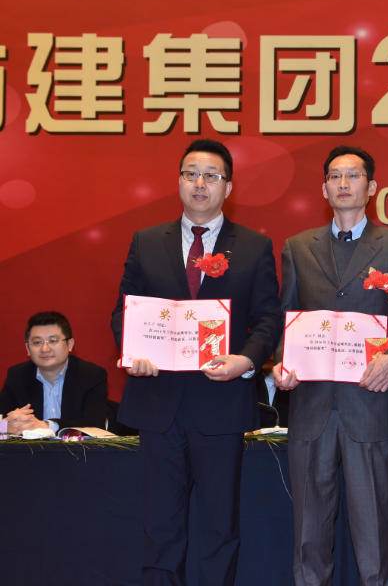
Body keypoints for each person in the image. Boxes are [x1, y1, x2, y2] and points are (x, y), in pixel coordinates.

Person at [111, 139, 282, 586]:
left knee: (218, 525)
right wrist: (133, 353)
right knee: (160, 524)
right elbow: (124, 312)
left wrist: (246, 360)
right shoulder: (147, 241)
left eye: (211, 175)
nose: (199, 183)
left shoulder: (254, 246)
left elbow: (268, 318)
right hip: (158, 400)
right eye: (191, 173)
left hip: (221, 404)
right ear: (179, 181)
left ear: (228, 187)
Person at [272, 145, 388, 586]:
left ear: (371, 188)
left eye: (353, 176)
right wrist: (281, 363)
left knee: (374, 532)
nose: (343, 183)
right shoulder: (298, 247)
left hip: (369, 404)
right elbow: (287, 319)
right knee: (308, 536)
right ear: (323, 189)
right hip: (310, 406)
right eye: (335, 176)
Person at [1, 311, 107, 434]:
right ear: (28, 349)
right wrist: (9, 426)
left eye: (53, 341)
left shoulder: (91, 375)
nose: (45, 349)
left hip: (76, 446)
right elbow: (3, 419)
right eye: (37, 342)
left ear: (70, 344)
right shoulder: (17, 376)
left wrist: (45, 426)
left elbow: (96, 424)